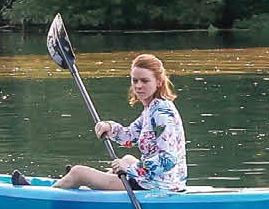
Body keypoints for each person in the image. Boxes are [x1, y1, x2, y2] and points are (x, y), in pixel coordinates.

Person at [59, 53, 189, 193]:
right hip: (155, 180)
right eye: (135, 81)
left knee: (79, 172)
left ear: (158, 82)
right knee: (127, 158)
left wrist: (130, 169)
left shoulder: (161, 113)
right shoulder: (152, 108)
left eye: (145, 81)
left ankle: (50, 193)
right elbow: (130, 136)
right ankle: (85, 187)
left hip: (158, 186)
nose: (138, 86)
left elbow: (168, 160)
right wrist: (110, 127)